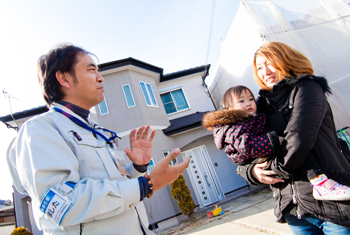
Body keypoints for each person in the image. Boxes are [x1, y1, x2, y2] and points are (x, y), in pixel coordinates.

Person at [7, 43, 190, 235]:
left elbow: (119, 191)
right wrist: (147, 184)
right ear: (64, 78)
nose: (100, 78)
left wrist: (137, 169)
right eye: (91, 69)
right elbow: (63, 204)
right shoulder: (40, 130)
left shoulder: (96, 130)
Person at [235, 41, 350, 234]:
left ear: (286, 60)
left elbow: (297, 139)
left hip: (333, 206)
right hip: (294, 211)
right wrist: (252, 171)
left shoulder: (307, 88)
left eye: (271, 63)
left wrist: (273, 171)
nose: (266, 71)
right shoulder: (260, 107)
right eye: (260, 67)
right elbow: (243, 146)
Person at [202, 85, 350, 201]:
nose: (248, 103)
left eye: (251, 99)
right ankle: (319, 182)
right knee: (293, 147)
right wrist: (273, 140)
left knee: (295, 146)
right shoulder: (234, 125)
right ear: (229, 108)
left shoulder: (249, 119)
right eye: (241, 101)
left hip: (258, 153)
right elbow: (246, 146)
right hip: (254, 155)